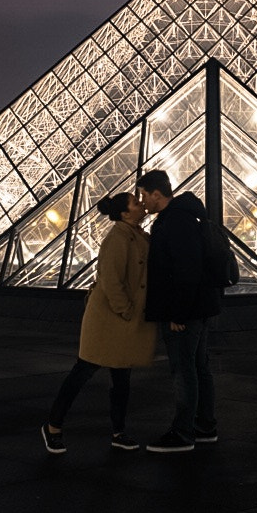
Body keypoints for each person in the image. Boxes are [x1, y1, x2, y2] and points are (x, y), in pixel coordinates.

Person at [41, 192, 155, 454]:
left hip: (120, 318)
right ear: (125, 213)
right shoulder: (117, 238)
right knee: (82, 373)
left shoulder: (136, 234)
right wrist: (126, 310)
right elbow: (111, 280)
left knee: (121, 379)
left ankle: (118, 432)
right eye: (136, 203)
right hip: (108, 319)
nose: (141, 205)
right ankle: (53, 426)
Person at [136, 169, 222, 453]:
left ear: (157, 194)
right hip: (201, 305)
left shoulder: (175, 221)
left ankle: (184, 433)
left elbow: (185, 271)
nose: (142, 202)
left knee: (184, 370)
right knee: (199, 367)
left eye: (144, 195)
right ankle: (205, 426)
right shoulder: (188, 215)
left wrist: (178, 314)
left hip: (186, 311)